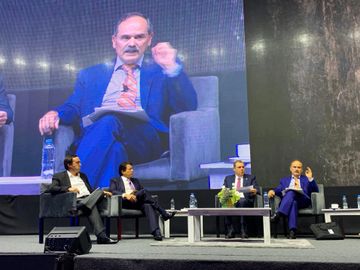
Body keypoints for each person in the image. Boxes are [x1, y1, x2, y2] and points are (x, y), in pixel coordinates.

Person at [38, 12, 197, 188]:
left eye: (139, 37)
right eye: (125, 37)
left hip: (144, 142)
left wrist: (172, 69)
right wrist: (56, 113)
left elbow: (187, 107)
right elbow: (74, 106)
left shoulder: (161, 70)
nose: (132, 43)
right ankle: (100, 209)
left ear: (149, 39)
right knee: (114, 150)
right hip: (101, 138)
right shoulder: (91, 74)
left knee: (110, 119)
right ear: (114, 41)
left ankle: (74, 187)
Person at [47, 154, 118, 244]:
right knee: (92, 206)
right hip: (75, 201)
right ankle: (101, 237)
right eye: (77, 162)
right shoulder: (59, 176)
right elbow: (52, 188)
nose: (80, 164)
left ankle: (83, 206)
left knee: (99, 192)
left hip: (86, 200)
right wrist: (68, 188)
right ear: (69, 165)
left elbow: (91, 191)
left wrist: (101, 193)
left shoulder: (83, 176)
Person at [109, 161, 175, 241]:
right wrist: (126, 195)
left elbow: (141, 193)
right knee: (144, 191)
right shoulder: (115, 180)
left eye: (132, 169)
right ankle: (163, 212)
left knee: (148, 205)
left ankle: (156, 232)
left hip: (137, 202)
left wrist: (135, 193)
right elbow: (112, 191)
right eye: (130, 169)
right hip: (124, 202)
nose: (132, 171)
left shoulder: (135, 180)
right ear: (123, 171)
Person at [268, 159, 319, 239]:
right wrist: (272, 191)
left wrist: (310, 179)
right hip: (290, 201)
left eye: (299, 167)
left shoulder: (306, 179)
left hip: (303, 200)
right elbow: (279, 190)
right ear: (290, 169)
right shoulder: (284, 180)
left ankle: (278, 214)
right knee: (293, 201)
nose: (296, 169)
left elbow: (316, 190)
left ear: (301, 170)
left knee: (291, 191)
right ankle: (292, 231)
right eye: (294, 167)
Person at [222, 160, 259, 239]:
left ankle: (243, 230)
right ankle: (231, 230)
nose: (242, 169)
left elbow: (257, 189)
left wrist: (252, 190)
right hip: (232, 200)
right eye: (239, 167)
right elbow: (224, 190)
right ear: (234, 169)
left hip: (246, 200)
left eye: (243, 167)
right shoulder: (228, 178)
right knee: (227, 203)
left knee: (242, 201)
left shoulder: (250, 178)